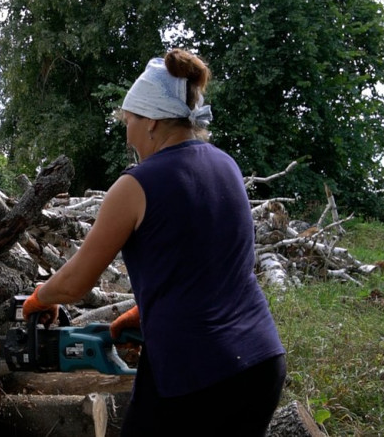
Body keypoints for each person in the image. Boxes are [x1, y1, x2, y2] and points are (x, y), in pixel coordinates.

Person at [22, 49, 286, 436]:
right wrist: (147, 315)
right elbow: (208, 264)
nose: (126, 131)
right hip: (261, 362)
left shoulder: (136, 185)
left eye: (128, 120)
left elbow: (77, 283)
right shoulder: (225, 165)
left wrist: (40, 298)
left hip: (198, 371)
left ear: (149, 122)